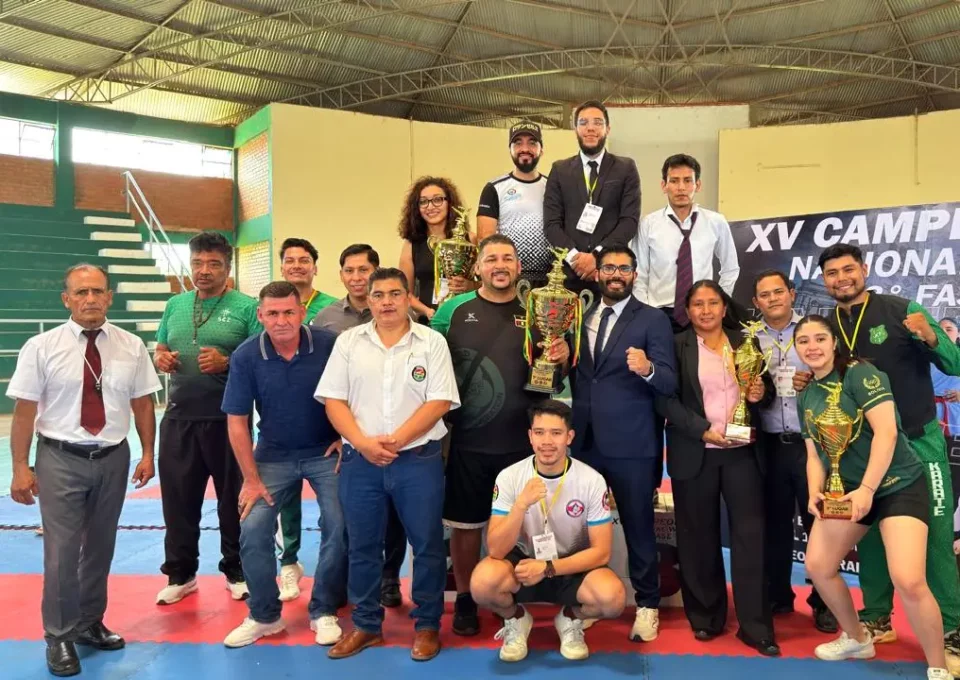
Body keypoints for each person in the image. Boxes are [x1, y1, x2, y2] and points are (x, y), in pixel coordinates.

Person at [795, 244, 960, 667]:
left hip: (916, 441)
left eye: (848, 269)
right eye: (831, 273)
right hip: (862, 453)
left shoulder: (901, 309)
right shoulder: (827, 325)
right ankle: (874, 620)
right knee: (867, 540)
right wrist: (808, 380)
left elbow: (955, 361)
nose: (840, 279)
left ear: (864, 270)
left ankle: (953, 629)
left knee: (936, 537)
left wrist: (927, 335)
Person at [7, 264, 161, 677]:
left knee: (100, 546)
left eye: (97, 291)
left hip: (113, 456)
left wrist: (148, 453)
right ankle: (58, 635)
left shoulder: (131, 345)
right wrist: (20, 466)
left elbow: (143, 402)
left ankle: (89, 622)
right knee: (60, 551)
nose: (90, 299)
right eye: (81, 292)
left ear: (110, 297)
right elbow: (24, 412)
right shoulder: (41, 347)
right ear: (66, 299)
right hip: (59, 457)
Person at [315, 267, 459, 661]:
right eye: (378, 295)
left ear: (407, 296)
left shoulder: (431, 342)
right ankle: (366, 625)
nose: (387, 302)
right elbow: (333, 400)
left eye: (395, 294)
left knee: (427, 546)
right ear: (369, 299)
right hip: (361, 461)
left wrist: (395, 441)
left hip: (418, 459)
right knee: (362, 545)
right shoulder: (349, 342)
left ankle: (428, 625)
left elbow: (439, 401)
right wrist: (362, 444)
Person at [431, 234, 570, 636]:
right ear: (477, 267)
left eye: (507, 258)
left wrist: (558, 360)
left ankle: (505, 593)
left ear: (517, 267)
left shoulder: (538, 311)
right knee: (466, 525)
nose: (500, 265)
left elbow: (549, 384)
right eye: (491, 258)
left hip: (519, 442)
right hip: (468, 439)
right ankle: (465, 597)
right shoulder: (453, 311)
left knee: (517, 523)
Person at [655, 280, 779, 655]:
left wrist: (760, 393)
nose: (706, 310)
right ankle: (706, 617)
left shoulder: (746, 341)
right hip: (696, 450)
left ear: (725, 308)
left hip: (742, 451)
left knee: (749, 538)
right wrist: (702, 430)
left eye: (713, 303)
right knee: (697, 537)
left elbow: (765, 389)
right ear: (687, 311)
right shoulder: (675, 346)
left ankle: (756, 625)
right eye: (697, 304)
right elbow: (664, 400)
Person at [220, 281, 346, 648]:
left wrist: (346, 437)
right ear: (260, 316)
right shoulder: (246, 356)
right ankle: (264, 615)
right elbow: (236, 421)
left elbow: (354, 392)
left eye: (289, 312)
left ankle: (323, 610)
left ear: (302, 312)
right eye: (272, 313)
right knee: (253, 527)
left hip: (325, 451)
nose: (281, 321)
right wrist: (250, 479)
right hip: (272, 456)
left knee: (339, 524)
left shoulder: (328, 344)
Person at [570, 244, 676, 642]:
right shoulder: (580, 315)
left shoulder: (652, 320)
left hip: (633, 443)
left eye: (624, 268)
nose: (616, 274)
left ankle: (647, 605)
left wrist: (648, 368)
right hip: (584, 442)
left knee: (638, 527)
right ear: (596, 273)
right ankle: (588, 601)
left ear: (634, 274)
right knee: (581, 529)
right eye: (609, 267)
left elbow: (669, 380)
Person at [470, 400, 626, 662]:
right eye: (540, 432)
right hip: (522, 564)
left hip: (569, 563)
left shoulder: (591, 480)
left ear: (569, 437)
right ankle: (516, 619)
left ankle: (570, 619)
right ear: (530, 437)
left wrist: (548, 568)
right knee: (482, 583)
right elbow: (496, 549)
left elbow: (601, 553)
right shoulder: (510, 477)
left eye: (556, 433)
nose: (547, 441)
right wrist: (520, 505)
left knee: (612, 599)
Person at [153, 232, 262, 605]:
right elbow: (162, 344)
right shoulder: (175, 304)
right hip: (179, 419)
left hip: (229, 422)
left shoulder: (247, 307)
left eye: (213, 264)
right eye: (198, 263)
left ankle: (236, 570)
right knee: (178, 501)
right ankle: (181, 574)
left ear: (227, 268)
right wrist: (161, 357)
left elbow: (260, 360)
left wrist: (227, 362)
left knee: (234, 501)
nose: (204, 271)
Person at [311, 243, 410, 609]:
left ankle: (389, 579)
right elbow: (326, 387)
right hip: (349, 437)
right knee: (348, 519)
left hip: (399, 437)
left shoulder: (408, 320)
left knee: (396, 519)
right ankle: (346, 583)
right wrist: (343, 435)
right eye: (349, 270)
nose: (357, 277)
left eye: (364, 270)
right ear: (341, 276)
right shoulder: (325, 320)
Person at [751, 270, 836, 633]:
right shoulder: (748, 340)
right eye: (764, 295)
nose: (772, 299)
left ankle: (823, 602)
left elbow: (839, 376)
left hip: (812, 445)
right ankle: (777, 595)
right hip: (769, 443)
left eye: (778, 292)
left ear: (791, 293)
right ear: (756, 303)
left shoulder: (814, 332)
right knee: (773, 524)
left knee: (820, 523)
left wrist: (815, 378)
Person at [274, 237, 338, 601]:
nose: (297, 265)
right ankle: (289, 562)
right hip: (281, 421)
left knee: (334, 509)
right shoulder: (267, 307)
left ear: (315, 266)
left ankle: (332, 581)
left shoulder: (331, 308)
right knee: (283, 500)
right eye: (290, 260)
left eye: (304, 260)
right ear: (282, 266)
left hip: (327, 422)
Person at [631, 154, 740, 332]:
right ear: (663, 186)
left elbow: (730, 268)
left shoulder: (716, 222)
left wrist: (717, 303)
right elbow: (639, 275)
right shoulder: (647, 224)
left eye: (687, 180)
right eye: (674, 181)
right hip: (660, 314)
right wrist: (647, 313)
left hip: (702, 314)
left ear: (698, 185)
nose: (681, 187)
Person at [543, 100, 641, 293]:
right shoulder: (559, 170)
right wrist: (574, 259)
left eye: (597, 123)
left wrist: (597, 256)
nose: (590, 128)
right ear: (575, 130)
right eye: (583, 123)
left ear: (608, 129)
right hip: (567, 274)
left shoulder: (625, 168)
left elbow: (629, 221)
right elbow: (551, 224)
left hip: (610, 272)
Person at [476, 122, 552, 289]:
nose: (525, 148)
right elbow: (485, 240)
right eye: (518, 143)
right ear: (510, 149)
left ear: (542, 150)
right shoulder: (494, 188)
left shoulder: (553, 187)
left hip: (549, 281)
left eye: (532, 143)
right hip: (508, 279)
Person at [398, 176, 475, 322]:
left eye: (437, 199)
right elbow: (404, 292)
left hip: (466, 317)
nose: (430, 206)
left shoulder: (469, 240)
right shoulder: (411, 245)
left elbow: (482, 284)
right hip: (428, 319)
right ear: (417, 208)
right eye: (423, 202)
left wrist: (469, 285)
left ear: (449, 203)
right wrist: (427, 311)